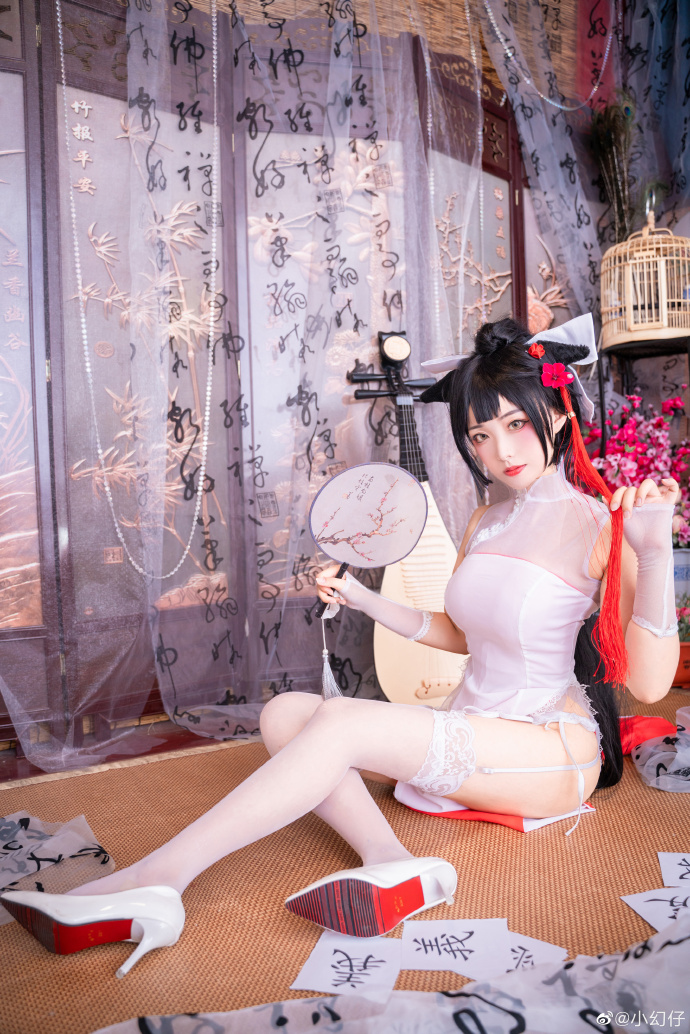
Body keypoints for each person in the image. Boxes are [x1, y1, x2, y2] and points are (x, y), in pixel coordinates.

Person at [1, 316, 679, 979]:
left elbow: (650, 686)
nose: (501, 449)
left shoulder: (600, 524)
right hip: (473, 720)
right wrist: (360, 597)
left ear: (556, 413)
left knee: (340, 723)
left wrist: (652, 553)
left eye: (516, 424)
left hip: (548, 748)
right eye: (480, 434)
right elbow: (458, 634)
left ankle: (158, 879)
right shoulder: (486, 519)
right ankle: (391, 860)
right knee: (285, 714)